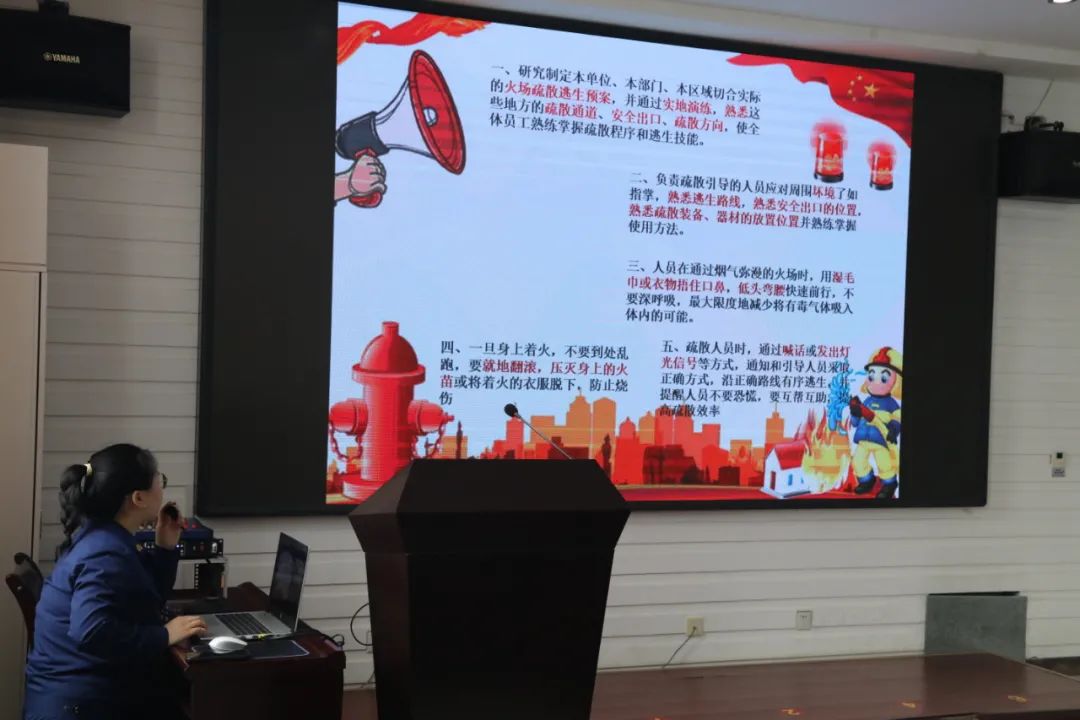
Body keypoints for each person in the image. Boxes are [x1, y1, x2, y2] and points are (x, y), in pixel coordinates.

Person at [23, 444, 208, 720]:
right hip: (81, 707)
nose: (162, 487)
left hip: (76, 698)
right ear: (138, 498)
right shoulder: (104, 552)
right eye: (159, 479)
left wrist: (165, 548)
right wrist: (164, 635)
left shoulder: (101, 536)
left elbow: (142, 600)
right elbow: (91, 630)